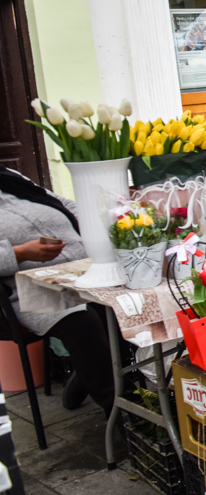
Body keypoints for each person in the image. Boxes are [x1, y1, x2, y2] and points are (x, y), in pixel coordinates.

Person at [0, 168, 115, 415]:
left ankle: (87, 375)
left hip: (85, 269)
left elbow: (63, 203)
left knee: (124, 305)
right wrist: (19, 254)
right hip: (31, 288)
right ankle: (120, 409)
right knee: (84, 324)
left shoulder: (9, 176)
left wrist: (92, 225)